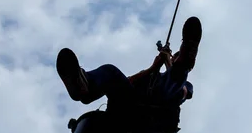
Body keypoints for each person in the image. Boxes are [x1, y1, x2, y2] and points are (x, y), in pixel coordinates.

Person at [56, 16, 202, 114]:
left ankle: (187, 55)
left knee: (176, 78)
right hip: (132, 101)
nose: (173, 58)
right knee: (109, 71)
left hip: (157, 103)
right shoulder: (154, 75)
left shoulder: (184, 84)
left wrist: (168, 64)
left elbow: (182, 93)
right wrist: (153, 68)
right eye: (176, 56)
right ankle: (83, 85)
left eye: (177, 57)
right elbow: (130, 81)